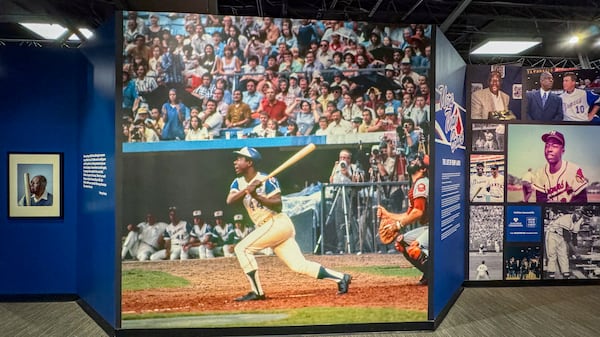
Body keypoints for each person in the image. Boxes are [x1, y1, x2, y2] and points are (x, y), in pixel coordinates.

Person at [226, 147, 351, 301]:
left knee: (242, 249)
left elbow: (278, 205)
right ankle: (341, 277)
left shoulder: (267, 180)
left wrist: (256, 195)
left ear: (249, 162)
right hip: (270, 228)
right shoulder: (237, 182)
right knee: (298, 265)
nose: (235, 162)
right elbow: (230, 201)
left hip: (276, 223)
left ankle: (257, 292)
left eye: (239, 158)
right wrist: (247, 190)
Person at [377, 152, 430, 285]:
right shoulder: (417, 183)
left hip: (437, 228)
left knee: (414, 249)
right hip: (430, 227)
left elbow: (417, 213)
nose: (414, 161)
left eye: (418, 161)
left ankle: (437, 275)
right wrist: (387, 215)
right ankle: (429, 274)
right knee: (401, 243)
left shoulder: (422, 182)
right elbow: (408, 215)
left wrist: (398, 225)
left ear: (423, 169)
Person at [532, 130, 588, 203]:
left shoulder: (574, 170)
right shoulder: (540, 173)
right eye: (547, 146)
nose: (549, 149)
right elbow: (540, 200)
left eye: (554, 146)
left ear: (563, 151)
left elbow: (582, 201)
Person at [545, 209, 584, 279]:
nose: (578, 217)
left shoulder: (577, 221)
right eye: (577, 214)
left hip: (561, 236)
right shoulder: (566, 218)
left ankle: (565, 272)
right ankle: (551, 273)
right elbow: (567, 238)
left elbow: (574, 236)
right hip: (552, 234)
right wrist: (575, 252)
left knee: (563, 254)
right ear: (574, 213)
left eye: (580, 215)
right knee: (552, 254)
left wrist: (575, 248)